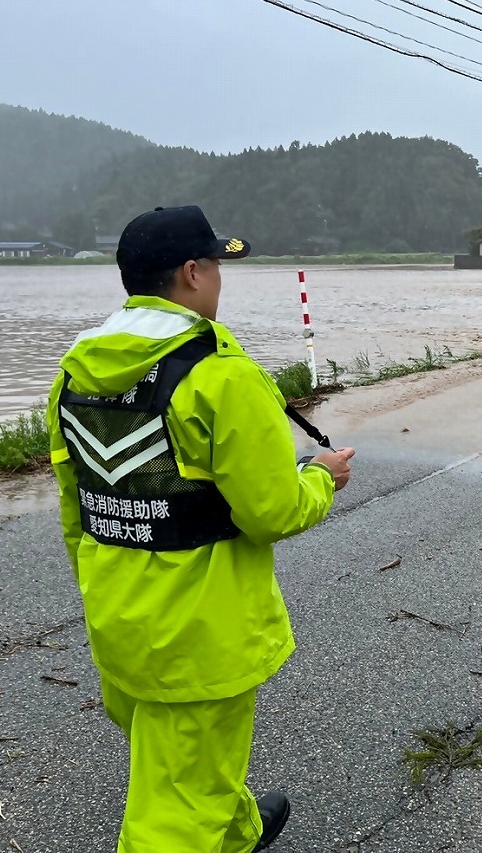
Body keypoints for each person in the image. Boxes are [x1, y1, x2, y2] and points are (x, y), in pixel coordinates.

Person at [46, 204, 355, 850]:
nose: (218, 280)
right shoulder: (219, 374)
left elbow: (76, 510)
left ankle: (238, 831)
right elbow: (272, 512)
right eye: (215, 266)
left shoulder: (75, 373)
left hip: (119, 612)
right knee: (176, 807)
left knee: (179, 760)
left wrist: (101, 594)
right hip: (200, 627)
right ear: (192, 273)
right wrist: (322, 476)